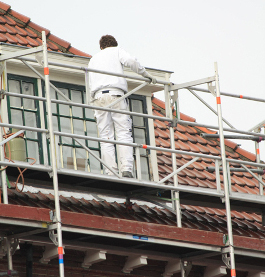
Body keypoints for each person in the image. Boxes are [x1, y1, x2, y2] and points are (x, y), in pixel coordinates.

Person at [88, 35, 156, 178]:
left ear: (101, 47)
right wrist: (146, 75)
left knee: (106, 135)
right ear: (114, 44)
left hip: (98, 97)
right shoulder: (117, 51)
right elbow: (131, 61)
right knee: (123, 132)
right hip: (116, 94)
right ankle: (126, 169)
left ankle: (110, 171)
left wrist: (92, 104)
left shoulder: (93, 59)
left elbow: (89, 81)